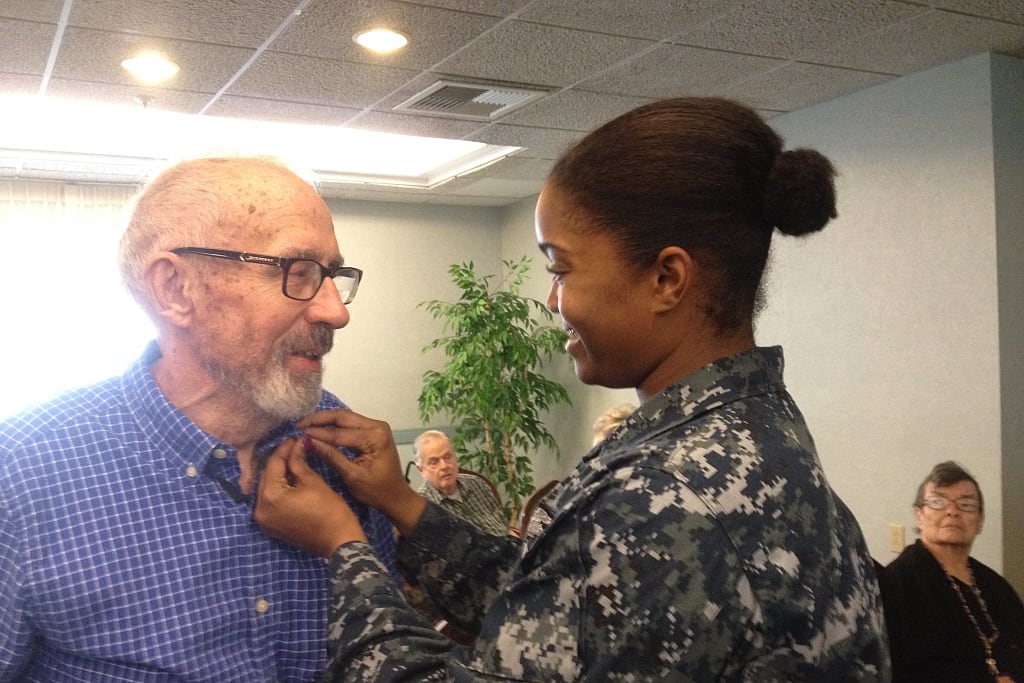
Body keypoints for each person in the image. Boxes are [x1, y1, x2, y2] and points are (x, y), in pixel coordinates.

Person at [254, 97, 890, 680]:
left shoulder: (663, 497)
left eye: (561, 268)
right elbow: (567, 610)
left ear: (667, 279)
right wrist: (401, 502)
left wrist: (344, 548)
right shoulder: (753, 430)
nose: (553, 300)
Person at [0, 156, 398, 681]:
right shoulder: (21, 473)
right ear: (175, 288)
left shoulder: (348, 449)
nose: (336, 312)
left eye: (330, 276)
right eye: (296, 272)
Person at [878, 461, 1024, 682]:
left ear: (980, 520)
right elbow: (897, 671)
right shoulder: (897, 583)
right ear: (919, 515)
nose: (952, 512)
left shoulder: (994, 584)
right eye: (938, 502)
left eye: (966, 504)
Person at [412, 430, 508, 536]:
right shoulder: (422, 507)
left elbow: (503, 526)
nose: (444, 466)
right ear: (421, 470)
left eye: (448, 457)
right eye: (434, 462)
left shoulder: (478, 484)